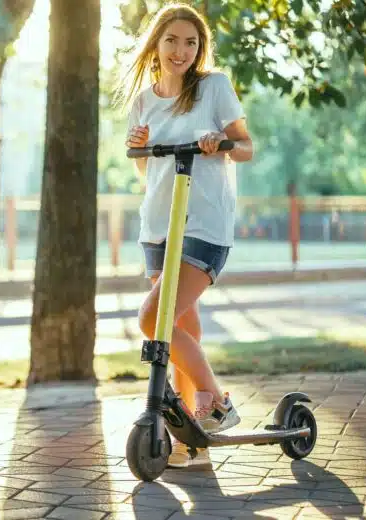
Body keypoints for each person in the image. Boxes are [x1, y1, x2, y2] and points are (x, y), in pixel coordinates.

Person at [119, 3, 254, 468]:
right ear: (157, 43)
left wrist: (222, 144)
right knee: (181, 327)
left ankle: (215, 401)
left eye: (191, 42)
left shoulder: (213, 87)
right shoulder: (143, 99)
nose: (181, 50)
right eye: (173, 40)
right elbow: (145, 170)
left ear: (200, 48)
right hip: (158, 225)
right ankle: (190, 440)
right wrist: (136, 147)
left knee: (152, 320)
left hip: (204, 223)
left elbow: (247, 147)